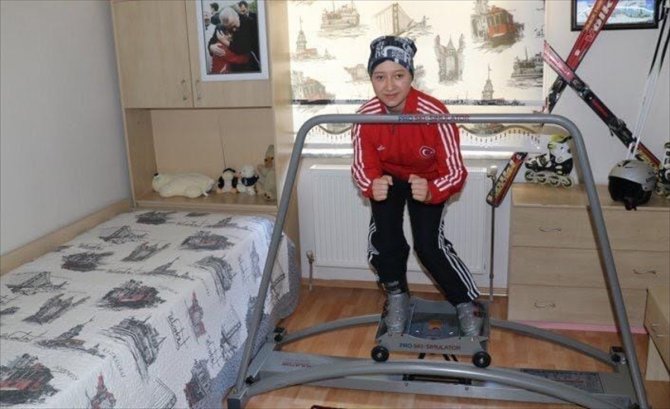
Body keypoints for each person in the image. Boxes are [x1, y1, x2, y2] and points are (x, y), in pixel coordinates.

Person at [351, 36, 482, 337]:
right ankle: (397, 296)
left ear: (411, 76)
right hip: (387, 178)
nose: (389, 86)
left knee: (429, 246)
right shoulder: (364, 116)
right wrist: (370, 184)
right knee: (385, 241)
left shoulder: (435, 113)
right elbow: (361, 165)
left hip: (428, 179)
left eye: (398, 75)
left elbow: (456, 171)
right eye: (380, 77)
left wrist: (433, 190)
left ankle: (465, 301)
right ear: (371, 79)